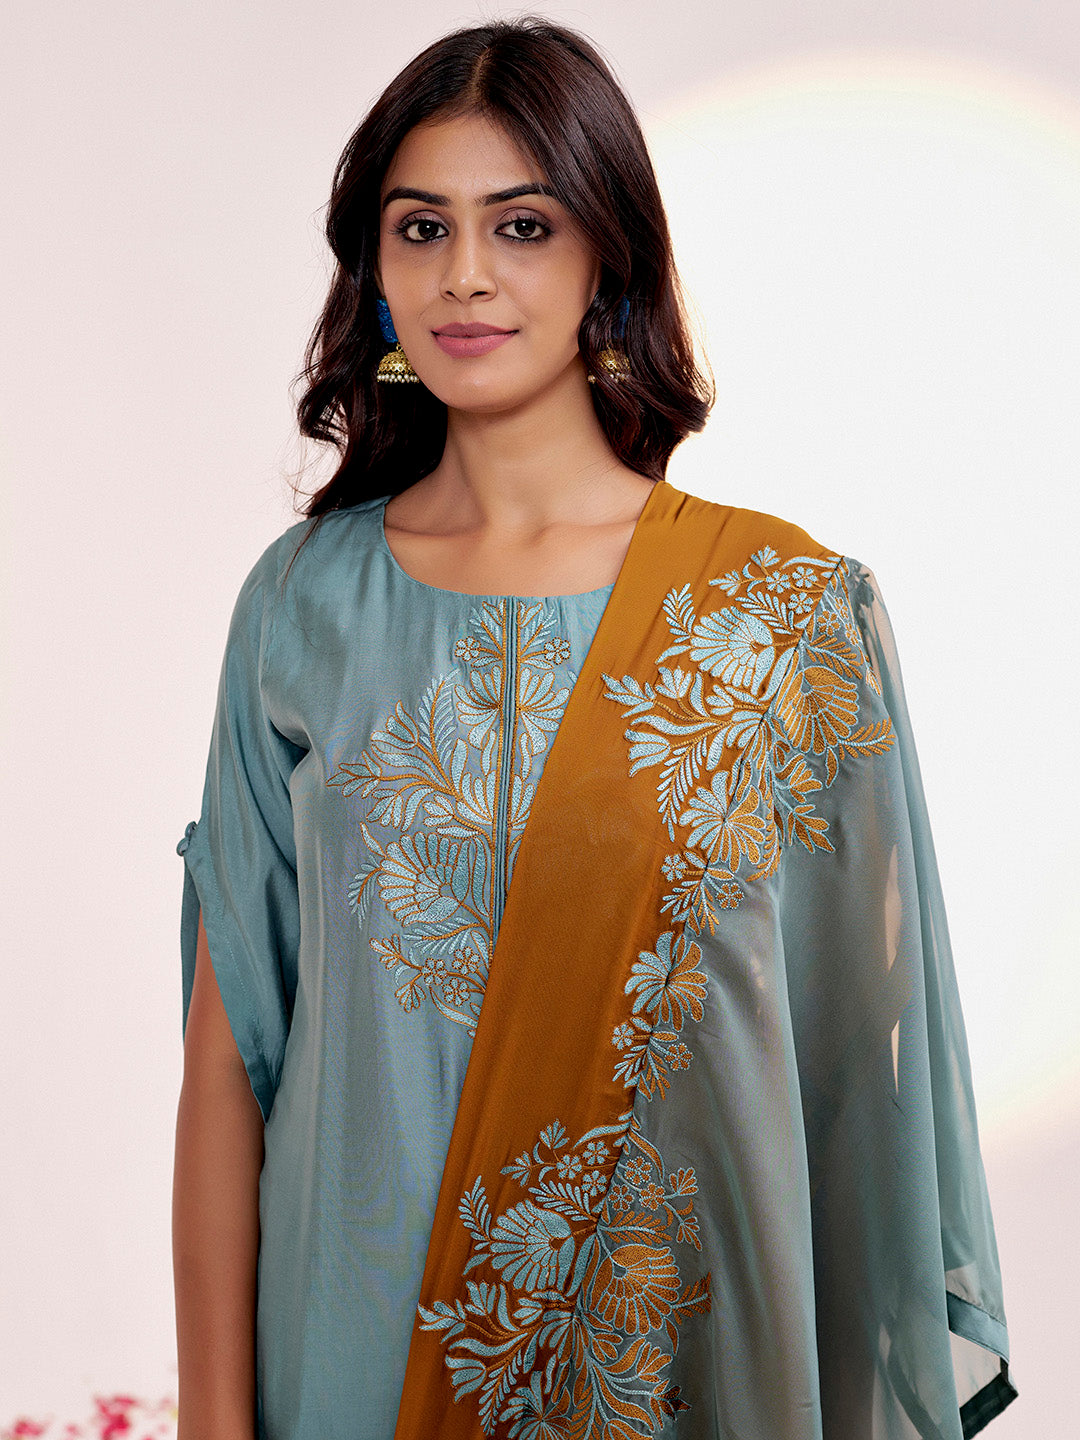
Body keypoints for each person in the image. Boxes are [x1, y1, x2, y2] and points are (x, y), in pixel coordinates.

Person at [172, 15, 1017, 1440]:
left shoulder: (778, 611)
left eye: (523, 225)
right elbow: (227, 1065)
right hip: (353, 1355)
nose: (467, 273)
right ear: (375, 273)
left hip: (676, 1352)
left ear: (606, 258)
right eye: (421, 228)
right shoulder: (301, 602)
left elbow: (852, 1088)